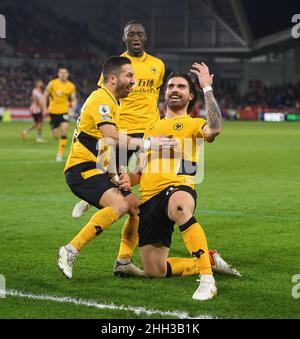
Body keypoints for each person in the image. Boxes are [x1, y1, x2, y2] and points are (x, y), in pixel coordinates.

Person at [118, 63, 231, 300]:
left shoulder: (194, 123)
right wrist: (126, 178)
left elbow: (216, 128)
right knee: (155, 271)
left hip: (178, 188)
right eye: (170, 86)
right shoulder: (151, 129)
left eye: (181, 86)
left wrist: (207, 88)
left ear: (191, 95)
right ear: (165, 93)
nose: (174, 90)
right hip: (149, 199)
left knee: (180, 206)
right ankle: (206, 258)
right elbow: (140, 170)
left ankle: (207, 278)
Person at [57, 56, 176, 279]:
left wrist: (115, 175)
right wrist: (150, 143)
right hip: (81, 169)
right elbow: (111, 135)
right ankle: (70, 250)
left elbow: (105, 144)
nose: (134, 80)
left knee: (136, 209)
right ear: (113, 78)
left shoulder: (113, 102)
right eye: (129, 76)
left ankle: (123, 261)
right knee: (119, 205)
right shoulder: (101, 100)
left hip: (97, 168)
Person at [71, 20, 165, 276]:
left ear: (145, 38)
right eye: (131, 34)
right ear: (124, 38)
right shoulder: (116, 65)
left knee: (137, 178)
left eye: (140, 34)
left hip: (147, 129)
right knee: (111, 174)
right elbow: (103, 97)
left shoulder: (158, 66)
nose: (136, 37)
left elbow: (155, 97)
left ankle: (123, 258)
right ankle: (91, 196)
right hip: (119, 132)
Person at [42, 67, 77, 161]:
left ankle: (59, 154)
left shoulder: (71, 86)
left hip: (64, 112)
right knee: (55, 135)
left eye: (65, 73)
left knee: (64, 129)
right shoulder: (52, 83)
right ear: (58, 74)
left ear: (68, 74)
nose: (63, 74)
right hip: (52, 112)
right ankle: (54, 131)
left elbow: (73, 99)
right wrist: (44, 108)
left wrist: (72, 110)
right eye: (61, 73)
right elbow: (44, 95)